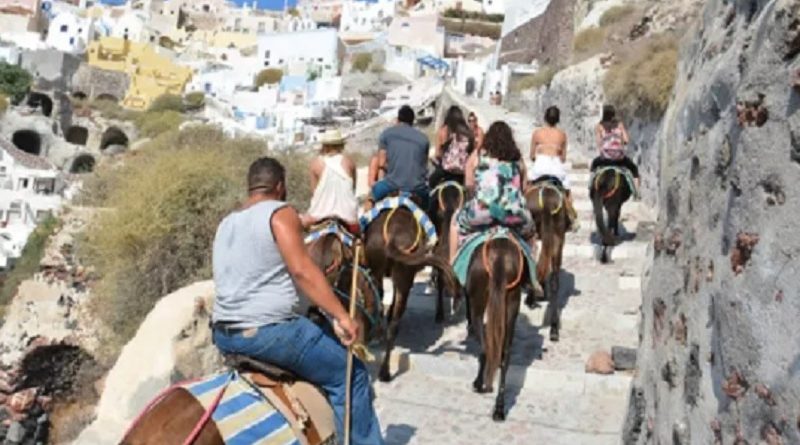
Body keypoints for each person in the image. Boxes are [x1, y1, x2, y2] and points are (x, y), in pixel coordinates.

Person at [211, 157, 384, 445]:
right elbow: (303, 271)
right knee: (351, 374)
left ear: (251, 188)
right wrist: (342, 316)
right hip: (270, 333)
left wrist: (304, 221)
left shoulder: (227, 222)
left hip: (225, 334)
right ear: (280, 186)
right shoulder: (282, 213)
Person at [448, 121, 535, 263]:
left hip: (482, 211)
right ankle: (533, 271)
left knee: (455, 223)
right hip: (513, 214)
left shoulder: (477, 156)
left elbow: (469, 185)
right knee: (531, 232)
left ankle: (452, 267)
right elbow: (524, 188)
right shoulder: (517, 159)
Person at [368, 105, 430, 209]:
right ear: (412, 121)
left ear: (398, 119)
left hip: (391, 185)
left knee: (370, 197)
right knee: (430, 207)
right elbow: (423, 166)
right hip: (417, 188)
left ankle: (364, 223)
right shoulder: (424, 139)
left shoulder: (386, 134)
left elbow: (382, 163)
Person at [528, 106, 579, 230]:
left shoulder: (537, 133)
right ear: (558, 119)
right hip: (555, 165)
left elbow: (532, 155)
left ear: (545, 117)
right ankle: (572, 218)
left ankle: (524, 214)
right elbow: (563, 158)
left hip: (540, 164)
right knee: (567, 191)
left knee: (527, 186)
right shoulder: (562, 134)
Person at [301, 129, 359, 233]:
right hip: (347, 215)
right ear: (341, 145)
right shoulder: (349, 162)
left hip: (320, 214)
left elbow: (314, 193)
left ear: (325, 145)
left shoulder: (316, 163)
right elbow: (353, 190)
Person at [591, 105, 641, 195]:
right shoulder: (619, 125)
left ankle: (591, 187)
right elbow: (626, 140)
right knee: (634, 169)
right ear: (614, 114)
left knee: (593, 165)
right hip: (619, 158)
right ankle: (637, 193)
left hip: (605, 159)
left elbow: (599, 143)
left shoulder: (599, 126)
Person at [429, 105, 474, 188]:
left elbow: (438, 154)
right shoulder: (468, 133)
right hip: (462, 173)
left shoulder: (443, 130)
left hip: (446, 170)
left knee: (430, 185)